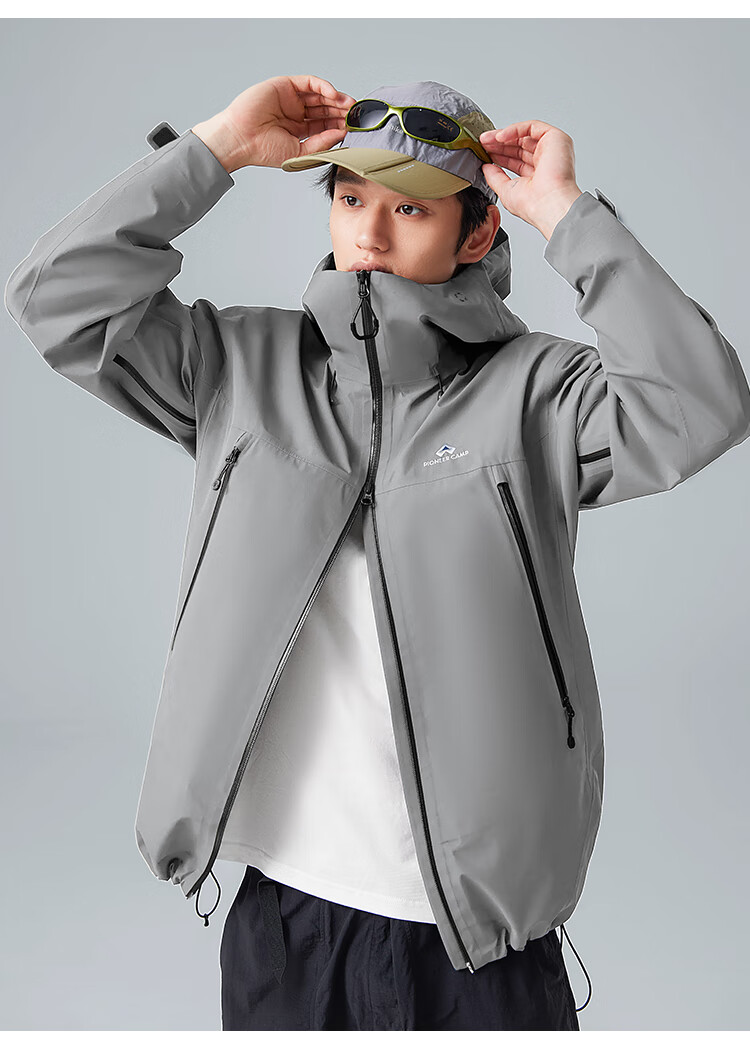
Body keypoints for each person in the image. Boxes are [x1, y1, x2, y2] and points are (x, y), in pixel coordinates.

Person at [5, 74, 749, 1032]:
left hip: (476, 934)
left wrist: (567, 214)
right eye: (351, 199)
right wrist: (216, 149)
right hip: (283, 915)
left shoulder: (536, 394)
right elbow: (54, 296)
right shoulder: (244, 369)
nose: (371, 233)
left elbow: (702, 404)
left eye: (410, 208)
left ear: (477, 233)